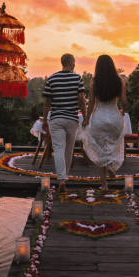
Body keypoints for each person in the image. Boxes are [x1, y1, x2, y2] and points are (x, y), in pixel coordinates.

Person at [42, 54, 87, 192]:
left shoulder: (52, 79)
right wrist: (85, 116)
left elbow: (47, 103)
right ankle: (64, 177)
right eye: (74, 62)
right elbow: (81, 99)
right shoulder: (77, 78)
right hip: (72, 119)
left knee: (59, 149)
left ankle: (61, 179)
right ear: (72, 63)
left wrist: (45, 120)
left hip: (56, 118)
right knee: (68, 150)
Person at [83, 54, 126, 191]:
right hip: (114, 118)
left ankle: (104, 185)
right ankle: (111, 167)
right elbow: (124, 101)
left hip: (99, 118)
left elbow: (91, 105)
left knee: (101, 149)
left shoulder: (94, 82)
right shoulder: (119, 81)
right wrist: (123, 110)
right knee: (112, 144)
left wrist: (87, 119)